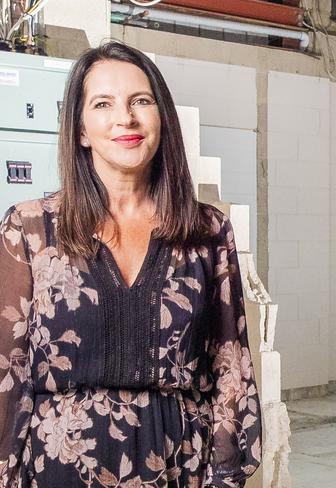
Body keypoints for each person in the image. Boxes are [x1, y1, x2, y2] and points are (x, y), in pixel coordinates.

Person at [0, 41, 261, 487]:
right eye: (103, 103)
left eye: (141, 101)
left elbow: (230, 367)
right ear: (80, 129)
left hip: (180, 469)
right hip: (58, 470)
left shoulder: (208, 231)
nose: (126, 118)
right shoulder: (29, 229)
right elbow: (8, 369)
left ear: (162, 118)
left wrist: (224, 477)